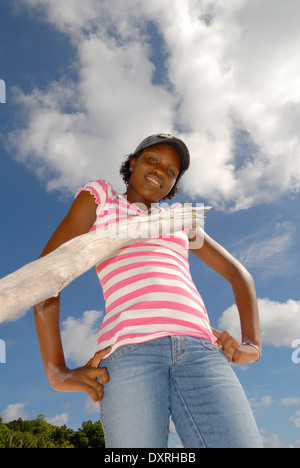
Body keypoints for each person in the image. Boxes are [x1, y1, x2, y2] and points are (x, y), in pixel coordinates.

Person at [34, 133, 263, 448]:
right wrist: (56, 370)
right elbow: (45, 275)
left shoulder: (180, 221)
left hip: (202, 353)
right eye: (152, 159)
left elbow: (239, 275)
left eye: (171, 171)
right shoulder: (101, 199)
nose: (160, 171)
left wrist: (253, 343)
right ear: (133, 162)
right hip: (129, 353)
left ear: (173, 184)